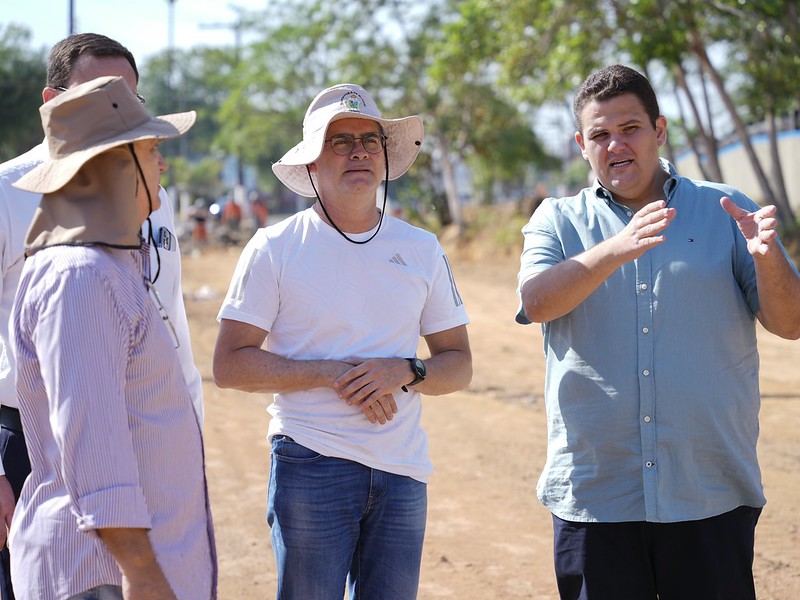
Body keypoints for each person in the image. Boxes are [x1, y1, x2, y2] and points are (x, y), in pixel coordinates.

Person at [516, 64, 800, 600]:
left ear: (660, 130)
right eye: (600, 134)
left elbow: (791, 323)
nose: (616, 145)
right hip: (597, 494)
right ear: (582, 144)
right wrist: (616, 248)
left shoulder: (724, 210)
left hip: (708, 489)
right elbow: (535, 301)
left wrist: (769, 263)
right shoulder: (557, 220)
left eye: (631, 129)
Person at [213, 83, 472, 599]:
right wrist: (336, 375)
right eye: (339, 141)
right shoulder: (275, 247)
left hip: (402, 470)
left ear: (384, 157)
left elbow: (459, 363)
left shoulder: (421, 248)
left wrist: (406, 370)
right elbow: (230, 364)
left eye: (369, 140)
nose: (358, 151)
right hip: (311, 462)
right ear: (311, 164)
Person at [0, 32, 204, 600]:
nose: (153, 151)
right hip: (41, 450)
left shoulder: (144, 204)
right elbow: (89, 439)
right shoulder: (19, 208)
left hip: (138, 443)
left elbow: (173, 328)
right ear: (52, 102)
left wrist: (187, 433)